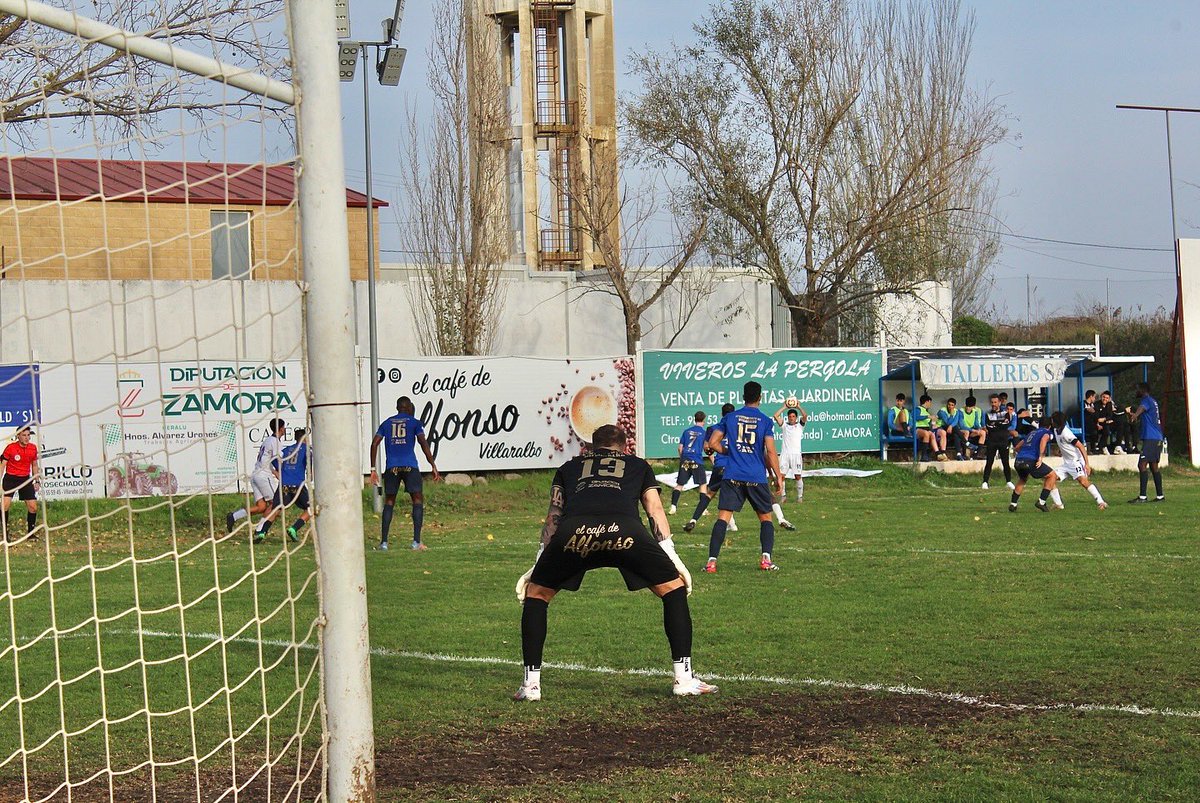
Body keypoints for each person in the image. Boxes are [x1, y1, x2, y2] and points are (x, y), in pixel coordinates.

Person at [512, 424, 715, 701]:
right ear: (625, 446)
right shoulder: (638, 465)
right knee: (673, 589)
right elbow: (654, 509)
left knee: (537, 594)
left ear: (591, 447)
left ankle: (531, 685)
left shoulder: (569, 467)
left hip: (575, 533)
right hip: (625, 532)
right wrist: (672, 555)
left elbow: (553, 516)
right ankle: (684, 678)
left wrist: (540, 561)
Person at [703, 381, 785, 573]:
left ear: (743, 397)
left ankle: (711, 563)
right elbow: (771, 452)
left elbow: (713, 443)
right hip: (755, 475)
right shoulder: (765, 421)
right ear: (760, 397)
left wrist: (729, 451)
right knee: (766, 518)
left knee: (723, 518)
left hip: (732, 475)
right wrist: (778, 476)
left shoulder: (730, 417)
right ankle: (766, 560)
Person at [370, 397, 440, 550]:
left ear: (397, 407)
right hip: (409, 465)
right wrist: (432, 464)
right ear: (408, 408)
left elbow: (374, 443)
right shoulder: (414, 422)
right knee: (417, 499)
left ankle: (384, 543)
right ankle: (416, 542)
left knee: (389, 502)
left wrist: (373, 469)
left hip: (392, 467)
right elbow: (423, 442)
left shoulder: (387, 423)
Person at [226, 418, 286, 544]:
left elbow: (265, 459)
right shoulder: (275, 441)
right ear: (281, 428)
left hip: (255, 475)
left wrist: (275, 472)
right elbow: (275, 460)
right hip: (264, 476)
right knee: (276, 505)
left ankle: (233, 516)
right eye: (284, 427)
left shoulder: (267, 440)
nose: (284, 429)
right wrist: (282, 471)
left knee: (262, 507)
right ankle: (260, 531)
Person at [683, 403, 734, 533]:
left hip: (720, 465)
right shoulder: (737, 428)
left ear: (722, 414)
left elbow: (707, 448)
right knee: (736, 494)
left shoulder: (712, 429)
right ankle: (778, 518)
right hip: (734, 465)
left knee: (709, 493)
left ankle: (694, 519)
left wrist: (712, 455)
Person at [1046, 411, 1107, 510]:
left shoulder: (1066, 433)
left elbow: (1081, 446)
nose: (1051, 421)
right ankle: (1058, 505)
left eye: (1053, 419)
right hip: (1067, 463)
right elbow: (1065, 445)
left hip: (1075, 462)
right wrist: (1060, 452)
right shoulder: (1056, 431)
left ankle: (1101, 502)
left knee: (1083, 482)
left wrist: (1087, 464)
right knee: (1050, 478)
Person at [1009, 415, 1058, 513]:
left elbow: (1017, 447)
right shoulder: (1047, 432)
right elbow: (1044, 439)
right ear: (1049, 426)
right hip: (1030, 460)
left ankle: (1013, 504)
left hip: (1018, 460)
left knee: (1023, 479)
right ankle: (1042, 501)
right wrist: (1040, 457)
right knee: (1052, 475)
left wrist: (1023, 455)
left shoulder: (1032, 433)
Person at [1, 426, 41, 542]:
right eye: (24, 435)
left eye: (28, 435)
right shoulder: (10, 448)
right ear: (18, 436)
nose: (27, 438)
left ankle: (31, 534)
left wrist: (36, 480)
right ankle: (4, 534)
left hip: (25, 479)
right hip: (10, 479)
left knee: (33, 507)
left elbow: (34, 465)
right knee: (4, 506)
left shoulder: (33, 448)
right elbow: (2, 465)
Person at [1127, 382, 1164, 503]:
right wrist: (1133, 415)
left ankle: (1142, 497)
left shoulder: (1146, 400)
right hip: (1157, 437)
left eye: (1137, 389)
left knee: (1142, 464)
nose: (1136, 391)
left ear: (1143, 390)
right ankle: (1160, 496)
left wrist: (1133, 415)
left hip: (1151, 438)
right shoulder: (1153, 401)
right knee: (1154, 466)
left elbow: (1138, 413)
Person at [669, 412, 708, 515]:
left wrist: (682, 458)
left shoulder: (686, 432)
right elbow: (706, 447)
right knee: (702, 484)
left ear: (694, 419)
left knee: (680, 484)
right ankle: (703, 509)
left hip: (685, 459)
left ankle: (673, 506)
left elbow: (680, 448)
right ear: (703, 420)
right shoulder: (704, 433)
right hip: (697, 460)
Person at [280, 427, 313, 542]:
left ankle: (261, 530)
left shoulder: (286, 450)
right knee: (312, 508)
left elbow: (278, 462)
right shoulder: (306, 450)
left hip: (284, 484)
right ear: (304, 438)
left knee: (276, 508)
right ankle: (294, 528)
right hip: (298, 485)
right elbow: (310, 468)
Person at [772, 401, 808, 503]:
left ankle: (800, 497)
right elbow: (775, 416)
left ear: (796, 418)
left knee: (797, 476)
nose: (791, 418)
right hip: (785, 454)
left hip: (796, 454)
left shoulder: (800, 426)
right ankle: (783, 496)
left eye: (793, 416)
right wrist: (784, 407)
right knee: (782, 476)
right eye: (790, 416)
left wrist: (798, 406)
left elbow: (805, 416)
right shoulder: (785, 426)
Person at [981, 394, 1014, 490]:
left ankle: (1008, 481)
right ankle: (985, 482)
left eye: (995, 402)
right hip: (992, 441)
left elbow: (1005, 425)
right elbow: (989, 426)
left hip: (1003, 440)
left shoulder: (1005, 413)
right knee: (989, 461)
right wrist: (998, 424)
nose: (993, 404)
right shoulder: (988, 414)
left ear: (999, 402)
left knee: (1005, 462)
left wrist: (995, 424)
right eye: (992, 402)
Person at [915, 395, 948, 461]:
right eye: (930, 402)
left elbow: (928, 423)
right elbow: (916, 417)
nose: (930, 404)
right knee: (927, 433)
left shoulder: (926, 411)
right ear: (927, 401)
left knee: (933, 434)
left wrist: (934, 423)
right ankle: (924, 455)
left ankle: (938, 454)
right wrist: (928, 417)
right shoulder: (918, 409)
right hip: (918, 428)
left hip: (927, 429)